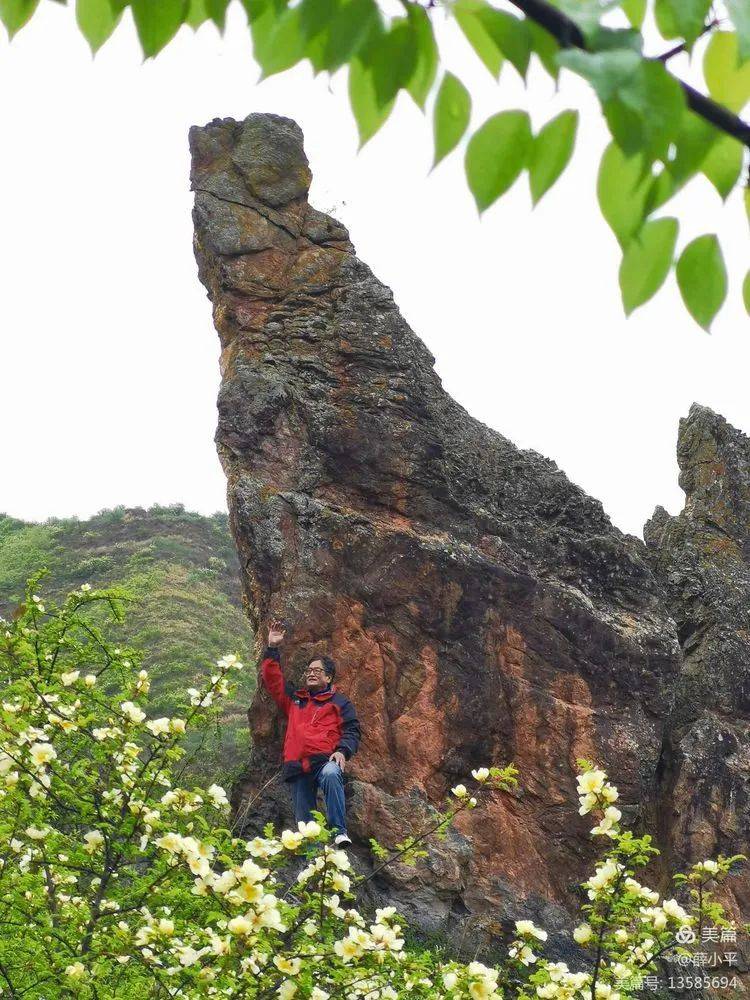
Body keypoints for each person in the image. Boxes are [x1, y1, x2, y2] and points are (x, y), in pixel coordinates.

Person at [260, 619, 361, 846]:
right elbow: (273, 681)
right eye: (309, 670)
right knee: (305, 828)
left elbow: (352, 731)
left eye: (317, 671)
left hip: (324, 760)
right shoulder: (295, 700)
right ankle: (314, 865)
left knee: (331, 774)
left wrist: (343, 751)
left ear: (328, 677)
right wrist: (272, 647)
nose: (312, 674)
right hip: (297, 765)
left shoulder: (340, 703)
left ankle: (339, 832)